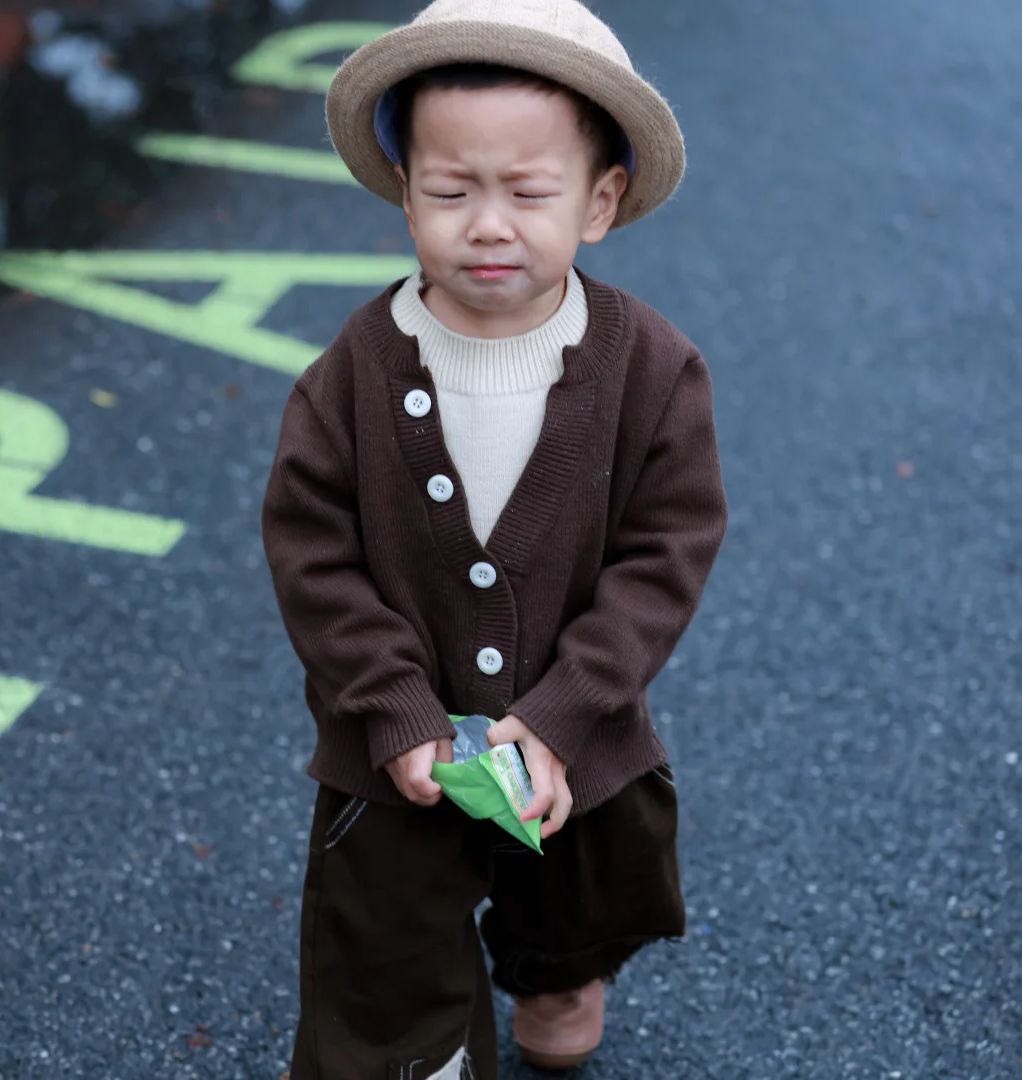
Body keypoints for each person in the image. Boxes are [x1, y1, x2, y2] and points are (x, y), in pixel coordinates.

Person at [259, 1, 729, 1076]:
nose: (487, 223)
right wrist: (392, 706)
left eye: (529, 192)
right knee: (381, 958)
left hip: (580, 733)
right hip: (396, 744)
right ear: (404, 193)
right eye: (449, 190)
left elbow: (668, 550)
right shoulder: (356, 370)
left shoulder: (652, 370)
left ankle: (559, 972)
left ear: (600, 201)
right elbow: (311, 551)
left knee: (573, 890)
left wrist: (564, 712)